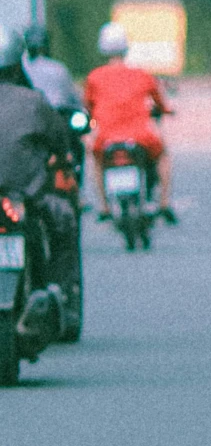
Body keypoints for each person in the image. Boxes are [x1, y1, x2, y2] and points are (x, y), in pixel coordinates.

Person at [0, 27, 77, 290]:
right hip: (29, 198)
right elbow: (60, 141)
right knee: (65, 220)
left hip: (22, 202)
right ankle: (60, 290)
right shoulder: (34, 101)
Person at [83, 22, 176, 221]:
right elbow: (160, 103)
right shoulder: (142, 74)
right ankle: (164, 203)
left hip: (106, 138)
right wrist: (167, 111)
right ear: (125, 47)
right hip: (141, 137)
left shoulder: (94, 77)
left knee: (96, 161)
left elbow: (88, 108)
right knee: (163, 155)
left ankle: (105, 207)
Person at [22, 25, 80, 114]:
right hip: (58, 115)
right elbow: (74, 98)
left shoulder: (23, 69)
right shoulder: (58, 68)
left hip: (33, 114)